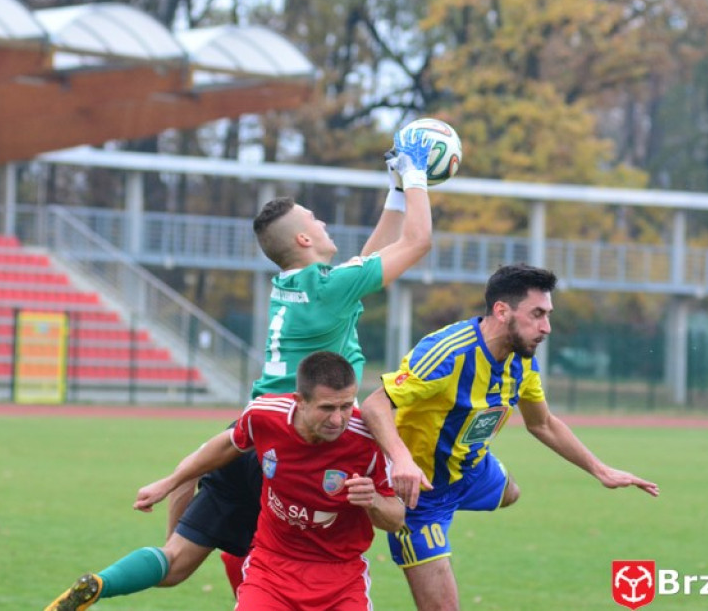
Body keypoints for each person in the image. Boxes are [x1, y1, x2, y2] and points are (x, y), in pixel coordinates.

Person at [44, 125, 438, 610]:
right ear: (302, 236)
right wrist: (417, 175)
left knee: (177, 562)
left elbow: (369, 258)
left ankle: (102, 584)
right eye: (316, 219)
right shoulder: (330, 288)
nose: (324, 223)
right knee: (306, 557)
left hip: (256, 430)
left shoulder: (295, 283)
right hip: (306, 436)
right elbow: (417, 242)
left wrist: (396, 190)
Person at [360, 263, 660, 611]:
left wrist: (600, 469)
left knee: (511, 492)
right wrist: (402, 459)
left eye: (547, 315)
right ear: (502, 311)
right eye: (537, 314)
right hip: (421, 494)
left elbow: (542, 423)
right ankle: (387, 513)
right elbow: (374, 405)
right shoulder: (448, 353)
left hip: (471, 471)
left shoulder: (523, 359)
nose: (546, 327)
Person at [132, 352, 401, 610]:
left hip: (341, 577)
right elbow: (225, 446)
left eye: (346, 406)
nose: (338, 419)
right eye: (327, 407)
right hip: (272, 570)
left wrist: (374, 501)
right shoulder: (264, 415)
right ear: (300, 400)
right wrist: (168, 483)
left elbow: (397, 518)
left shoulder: (369, 440)